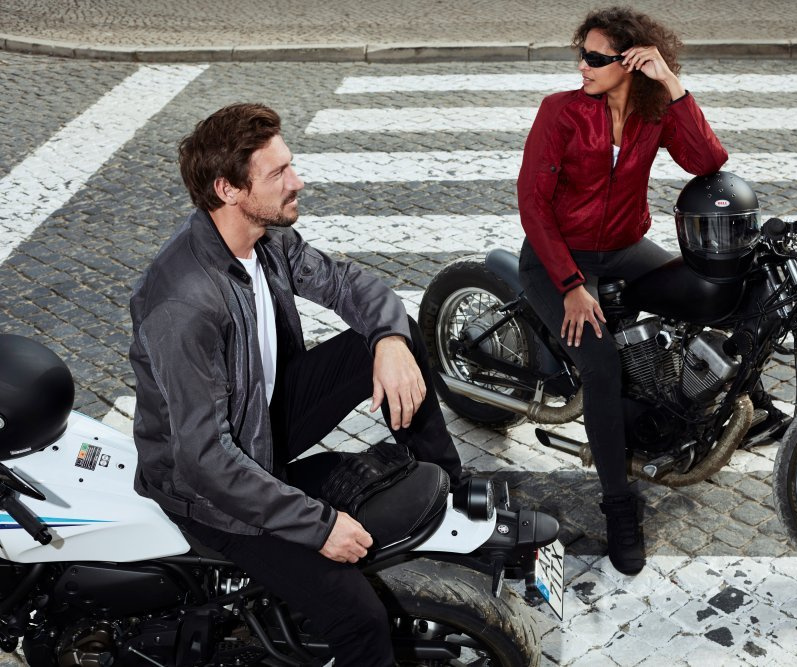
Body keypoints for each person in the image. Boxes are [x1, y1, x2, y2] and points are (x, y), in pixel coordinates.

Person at [129, 102, 462, 667]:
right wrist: (320, 526)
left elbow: (349, 284)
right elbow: (205, 460)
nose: (297, 181)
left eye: (291, 166)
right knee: (360, 622)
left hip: (263, 421)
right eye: (279, 172)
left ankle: (453, 487)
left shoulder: (267, 240)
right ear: (229, 190)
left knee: (393, 333)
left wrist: (389, 341)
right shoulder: (183, 303)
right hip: (209, 492)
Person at [517, 6, 734, 575]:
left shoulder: (652, 114)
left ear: (631, 62)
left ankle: (711, 406)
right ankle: (619, 504)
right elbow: (533, 205)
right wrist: (571, 286)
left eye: (595, 57)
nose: (582, 65)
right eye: (582, 54)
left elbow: (708, 160)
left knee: (705, 295)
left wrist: (670, 83)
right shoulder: (560, 112)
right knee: (601, 364)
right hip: (556, 258)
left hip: (623, 248)